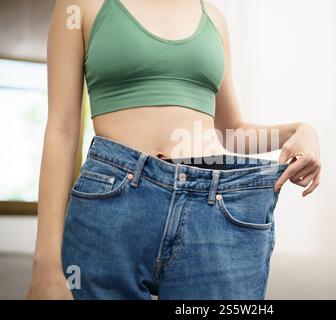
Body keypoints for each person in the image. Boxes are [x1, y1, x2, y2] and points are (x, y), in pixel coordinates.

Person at [28, 0, 321, 300]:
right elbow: (62, 130)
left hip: (212, 207)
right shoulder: (81, 6)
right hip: (113, 205)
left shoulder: (215, 20)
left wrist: (299, 130)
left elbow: (232, 134)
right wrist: (46, 263)